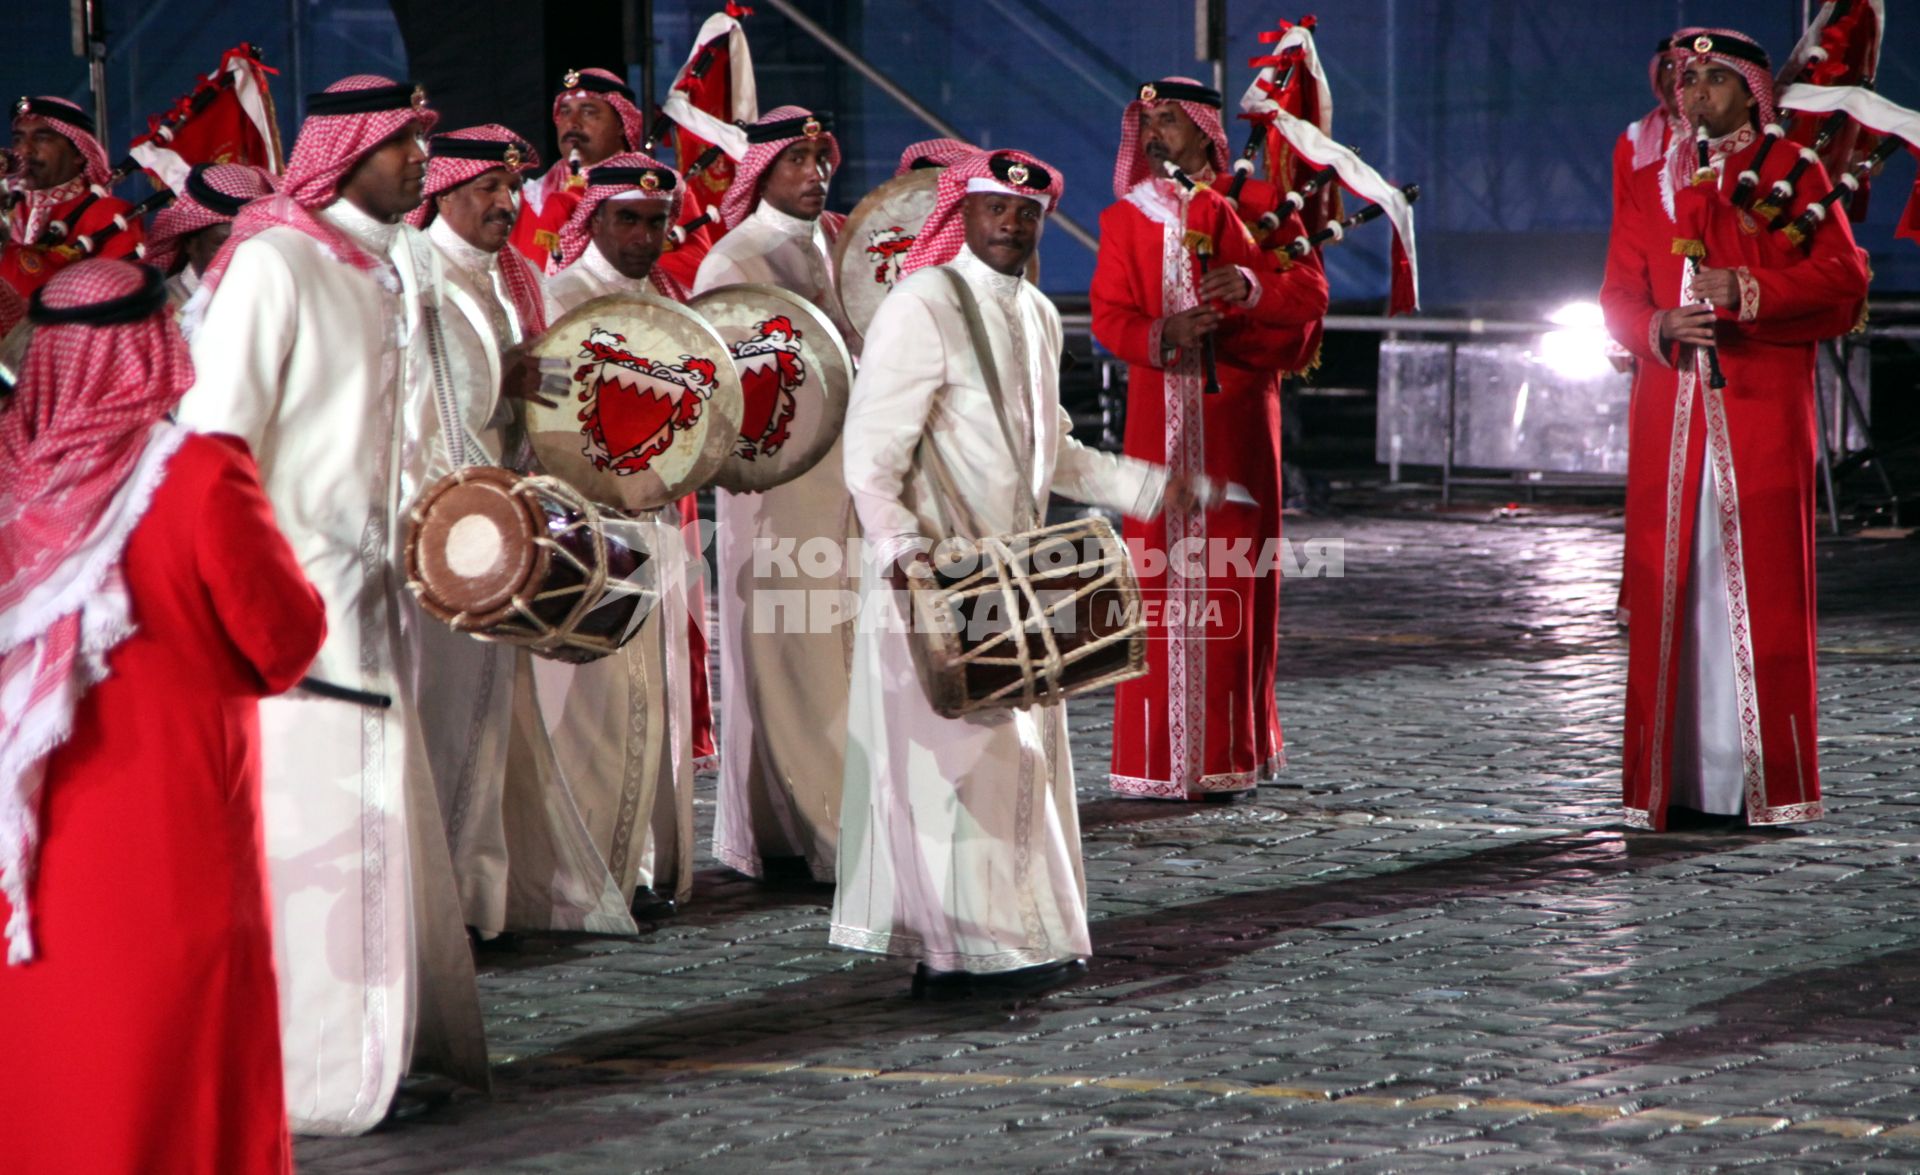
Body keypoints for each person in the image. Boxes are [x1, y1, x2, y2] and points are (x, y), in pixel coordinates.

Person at [174, 74, 491, 1135]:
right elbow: (214, 451)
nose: (420, 161)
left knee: (377, 832)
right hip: (293, 618)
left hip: (377, 600)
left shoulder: (381, 267)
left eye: (423, 141)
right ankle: (316, 1079)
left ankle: (380, 1054)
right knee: (311, 844)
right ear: (343, 150)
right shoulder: (274, 262)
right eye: (403, 143)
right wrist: (256, 605)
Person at [833, 149, 1189, 997]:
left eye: (1028, 214)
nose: (1012, 224)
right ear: (963, 211)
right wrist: (906, 558)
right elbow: (870, 455)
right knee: (957, 769)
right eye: (997, 208)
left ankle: (1022, 940)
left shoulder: (1035, 311)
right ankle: (960, 959)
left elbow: (1051, 450)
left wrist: (1146, 486)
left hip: (1019, 577)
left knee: (1021, 766)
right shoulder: (920, 304)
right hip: (942, 576)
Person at [0, 259, 326, 1172]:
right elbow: (283, 642)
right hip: (175, 845)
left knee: (44, 1072)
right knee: (181, 1079)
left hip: (23, 864)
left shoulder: (8, 485)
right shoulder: (197, 475)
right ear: (156, 343)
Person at [1600, 28, 1868, 830]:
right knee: (1674, 589)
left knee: (1756, 593)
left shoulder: (1795, 172)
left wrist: (1747, 288)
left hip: (1757, 409)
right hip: (1667, 420)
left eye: (1714, 79)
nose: (1696, 92)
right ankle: (1672, 785)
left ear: (1750, 90)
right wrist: (1656, 325)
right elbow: (1616, 291)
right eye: (1686, 79)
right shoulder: (1648, 178)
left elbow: (1844, 281)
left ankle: (1760, 783)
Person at [1093, 77, 1329, 802]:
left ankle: (1231, 752)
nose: (1159, 132)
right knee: (1156, 583)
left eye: (1171, 119)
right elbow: (1107, 318)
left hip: (1236, 426)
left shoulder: (1257, 204)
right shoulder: (1123, 219)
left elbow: (1310, 294)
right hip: (1153, 428)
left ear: (1203, 130)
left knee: (1236, 579)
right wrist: (1161, 333)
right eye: (1149, 121)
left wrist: (1250, 289)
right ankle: (1156, 758)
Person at [695, 105, 856, 885]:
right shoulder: (736, 258)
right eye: (796, 161)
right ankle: (831, 835)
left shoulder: (836, 241)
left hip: (841, 485)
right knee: (792, 660)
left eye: (821, 160)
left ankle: (791, 829)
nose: (815, 175)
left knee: (827, 654)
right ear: (761, 172)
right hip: (776, 487)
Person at [541, 152, 704, 918]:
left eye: (656, 221)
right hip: (588, 531)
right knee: (590, 705)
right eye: (627, 220)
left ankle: (639, 868)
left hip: (661, 528)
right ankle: (587, 881)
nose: (644, 236)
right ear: (593, 219)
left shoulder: (674, 297)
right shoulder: (560, 298)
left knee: (654, 700)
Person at [1607, 31, 1692, 627]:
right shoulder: (1637, 140)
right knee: (1652, 472)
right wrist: (1626, 330)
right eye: (1667, 72)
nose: (1675, 84)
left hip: (1723, 321)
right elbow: (1624, 228)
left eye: (1690, 73)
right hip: (1657, 324)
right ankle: (1645, 595)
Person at [510, 67, 715, 289]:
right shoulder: (530, 198)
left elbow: (690, 278)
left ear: (621, 124)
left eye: (588, 112)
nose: (572, 123)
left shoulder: (661, 192)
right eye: (565, 112)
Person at [2, 96, 145, 297]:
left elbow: (118, 296)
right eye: (18, 139)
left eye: (42, 138)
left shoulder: (109, 214)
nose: (24, 150)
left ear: (79, 153)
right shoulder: (9, 208)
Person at [143, 162, 277, 318]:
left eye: (250, 244)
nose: (239, 257)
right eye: (224, 244)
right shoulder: (162, 312)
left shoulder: (272, 300)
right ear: (190, 243)